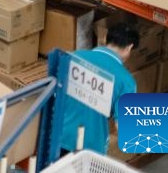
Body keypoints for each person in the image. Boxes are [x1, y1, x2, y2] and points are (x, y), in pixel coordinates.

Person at [59, 22, 139, 155]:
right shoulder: (127, 82)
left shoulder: (74, 56)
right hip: (90, 148)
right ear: (129, 47)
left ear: (105, 39)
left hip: (59, 136)